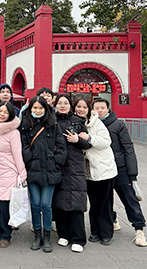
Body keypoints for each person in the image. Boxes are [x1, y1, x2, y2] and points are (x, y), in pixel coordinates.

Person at [93, 98, 147, 247]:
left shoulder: (118, 125)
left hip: (120, 169)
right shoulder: (92, 126)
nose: (99, 111)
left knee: (129, 199)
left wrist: (133, 174)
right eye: (96, 108)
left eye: (102, 108)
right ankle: (113, 219)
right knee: (105, 200)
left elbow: (128, 148)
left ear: (108, 109)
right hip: (103, 170)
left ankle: (139, 229)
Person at [19, 96, 67, 253]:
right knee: (35, 204)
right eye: (35, 108)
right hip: (33, 170)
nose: (38, 111)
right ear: (30, 109)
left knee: (46, 205)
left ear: (46, 109)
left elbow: (61, 145)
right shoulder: (25, 126)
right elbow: (24, 146)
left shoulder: (53, 125)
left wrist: (55, 160)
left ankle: (47, 236)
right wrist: (31, 159)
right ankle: (37, 235)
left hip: (50, 171)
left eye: (41, 108)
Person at [74, 97, 117, 246]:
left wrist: (89, 138)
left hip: (104, 168)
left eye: (84, 107)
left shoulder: (96, 123)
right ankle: (95, 231)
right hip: (88, 170)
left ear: (88, 109)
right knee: (94, 202)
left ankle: (106, 233)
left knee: (104, 202)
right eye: (78, 106)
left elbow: (106, 141)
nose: (81, 109)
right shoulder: (75, 124)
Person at [52, 94, 91, 253]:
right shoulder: (51, 121)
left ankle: (78, 238)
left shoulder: (78, 121)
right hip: (57, 164)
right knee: (59, 200)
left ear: (70, 106)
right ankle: (63, 234)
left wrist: (78, 141)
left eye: (66, 103)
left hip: (74, 166)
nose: (62, 105)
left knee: (76, 201)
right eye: (60, 103)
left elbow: (87, 144)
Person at [0, 101, 27, 248]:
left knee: (4, 208)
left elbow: (17, 154)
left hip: (8, 173)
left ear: (10, 115)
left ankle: (5, 235)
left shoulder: (14, 133)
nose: (1, 114)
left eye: (5, 112)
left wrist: (22, 174)